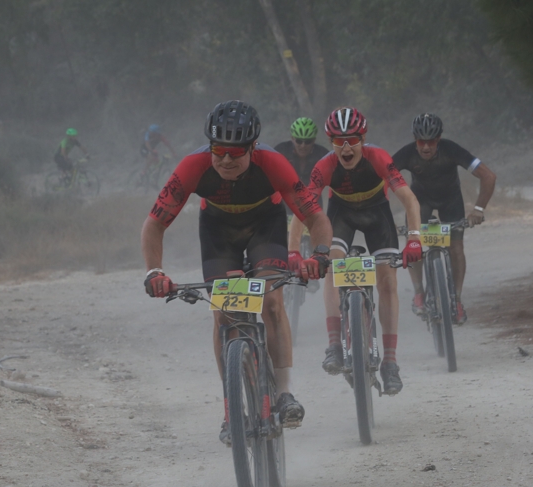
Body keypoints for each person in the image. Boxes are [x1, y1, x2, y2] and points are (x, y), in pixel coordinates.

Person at [141, 100, 333, 445]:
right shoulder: (193, 166)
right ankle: (232, 410)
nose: (226, 160)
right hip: (218, 232)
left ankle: (284, 393)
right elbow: (154, 224)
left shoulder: (273, 163)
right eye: (218, 150)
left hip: (265, 225)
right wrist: (154, 271)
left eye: (235, 152)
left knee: (271, 301)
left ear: (252, 147)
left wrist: (319, 255)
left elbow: (316, 217)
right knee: (223, 314)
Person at [288, 107, 423, 395]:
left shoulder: (379, 158)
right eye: (339, 142)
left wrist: (414, 239)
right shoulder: (324, 165)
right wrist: (293, 252)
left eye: (352, 140)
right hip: (342, 215)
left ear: (363, 140)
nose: (346, 148)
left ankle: (390, 362)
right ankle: (334, 345)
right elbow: (303, 209)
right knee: (331, 268)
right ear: (331, 142)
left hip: (377, 215)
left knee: (387, 282)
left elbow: (409, 199)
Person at [391, 113, 496, 325]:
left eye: (431, 142)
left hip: (451, 200)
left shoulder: (451, 149)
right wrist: (384, 215)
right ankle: (419, 293)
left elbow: (488, 176)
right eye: (421, 141)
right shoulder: (406, 153)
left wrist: (478, 209)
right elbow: (381, 180)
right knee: (413, 243)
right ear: (414, 139)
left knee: (456, 248)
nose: (426, 147)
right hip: (420, 201)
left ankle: (456, 300)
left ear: (439, 139)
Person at [273, 117, 330, 207]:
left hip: (313, 202)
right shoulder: (281, 151)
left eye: (308, 142)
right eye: (299, 141)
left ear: (314, 140)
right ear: (292, 139)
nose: (303, 146)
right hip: (286, 202)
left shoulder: (322, 155)